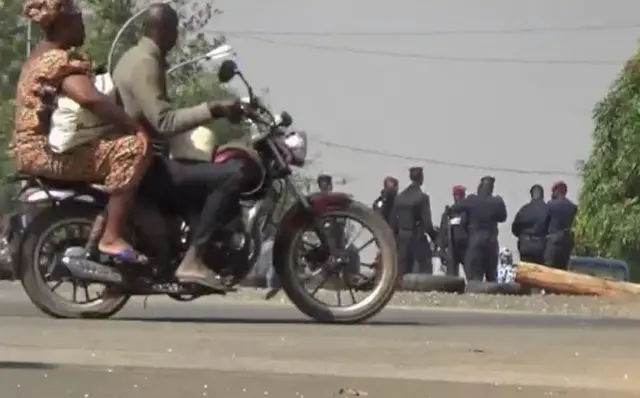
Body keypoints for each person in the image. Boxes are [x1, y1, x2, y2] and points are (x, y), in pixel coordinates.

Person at [113, 3, 245, 292]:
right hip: (146, 164)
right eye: (175, 30)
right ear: (163, 30)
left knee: (201, 172)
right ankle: (193, 260)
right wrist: (214, 108)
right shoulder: (146, 62)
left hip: (142, 158)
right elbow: (164, 121)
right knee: (231, 174)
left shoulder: (136, 56)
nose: (177, 37)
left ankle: (188, 246)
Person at [12, 0, 151, 262]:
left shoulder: (39, 56)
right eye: (78, 19)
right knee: (134, 149)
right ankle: (111, 236)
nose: (83, 25)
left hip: (34, 149)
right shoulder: (56, 60)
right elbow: (90, 99)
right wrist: (136, 128)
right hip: (44, 153)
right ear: (64, 24)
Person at [450, 176, 506, 281]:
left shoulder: (472, 200)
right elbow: (503, 218)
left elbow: (455, 208)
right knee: (491, 274)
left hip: (476, 238)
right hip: (491, 239)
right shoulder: (497, 202)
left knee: (474, 274)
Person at [391, 167, 438, 275]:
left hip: (402, 237)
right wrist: (435, 237)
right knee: (422, 270)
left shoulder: (399, 197)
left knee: (403, 269)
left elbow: (393, 221)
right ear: (421, 178)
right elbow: (427, 223)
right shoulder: (422, 197)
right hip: (416, 237)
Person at [511, 184, 549, 264]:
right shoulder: (547, 209)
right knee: (539, 272)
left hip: (525, 245)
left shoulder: (524, 209)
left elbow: (514, 228)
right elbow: (551, 228)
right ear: (542, 195)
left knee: (525, 271)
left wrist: (522, 236)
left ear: (531, 195)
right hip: (540, 247)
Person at [544, 181, 577, 269]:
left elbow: (544, 222)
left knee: (549, 269)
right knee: (562, 269)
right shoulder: (572, 207)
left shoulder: (550, 205)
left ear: (556, 191)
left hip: (552, 243)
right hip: (566, 243)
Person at [438, 185, 468, 277]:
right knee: (451, 277)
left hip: (465, 248)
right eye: (456, 195)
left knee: (470, 275)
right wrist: (442, 250)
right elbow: (443, 233)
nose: (458, 198)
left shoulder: (467, 212)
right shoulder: (448, 214)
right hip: (452, 249)